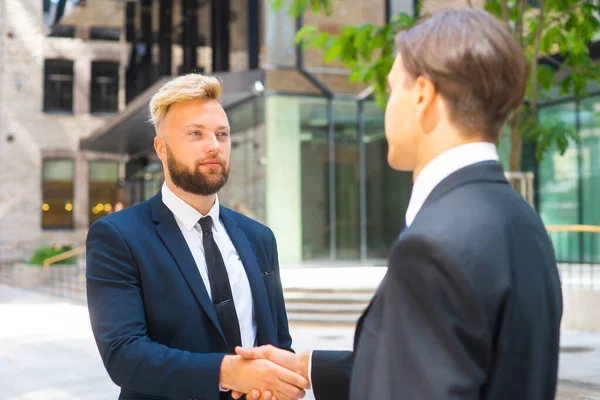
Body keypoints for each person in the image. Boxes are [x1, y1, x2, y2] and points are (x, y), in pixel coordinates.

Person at [233, 8, 563, 400]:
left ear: (422, 95)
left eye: (391, 91)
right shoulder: (523, 220)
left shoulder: (433, 248)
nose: (386, 107)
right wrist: (308, 367)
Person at [86, 74, 309, 400]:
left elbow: (277, 342)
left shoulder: (259, 238)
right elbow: (124, 355)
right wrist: (228, 372)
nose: (213, 146)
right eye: (195, 133)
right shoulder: (118, 237)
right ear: (161, 148)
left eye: (222, 134)